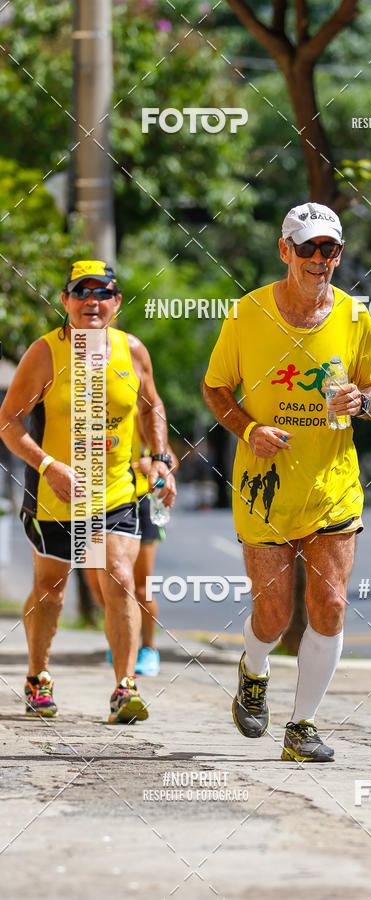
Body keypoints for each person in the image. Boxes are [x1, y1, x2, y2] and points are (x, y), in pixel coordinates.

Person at [203, 202, 371, 762]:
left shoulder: (356, 317)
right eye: (307, 248)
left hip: (333, 484)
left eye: (328, 249)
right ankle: (253, 669)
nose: (318, 259)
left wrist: (362, 402)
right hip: (265, 488)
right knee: (274, 614)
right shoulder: (246, 314)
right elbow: (216, 390)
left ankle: (301, 726)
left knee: (330, 607)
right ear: (285, 250)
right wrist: (248, 428)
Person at [0, 260, 176, 723]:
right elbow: (8, 422)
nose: (91, 303)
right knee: (51, 590)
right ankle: (38, 676)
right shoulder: (45, 353)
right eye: (81, 293)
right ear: (65, 302)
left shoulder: (132, 350)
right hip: (55, 495)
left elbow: (151, 405)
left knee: (118, 576)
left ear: (116, 303)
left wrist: (161, 458)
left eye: (102, 294)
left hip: (115, 492)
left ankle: (125, 687)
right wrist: (47, 464)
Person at [87, 410, 179, 676]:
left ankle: (148, 648)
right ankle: (122, 636)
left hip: (139, 504)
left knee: (140, 586)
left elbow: (170, 460)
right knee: (98, 585)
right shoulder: (87, 408)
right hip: (95, 505)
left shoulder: (138, 414)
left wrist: (147, 464)